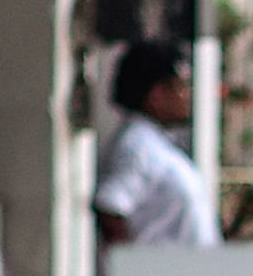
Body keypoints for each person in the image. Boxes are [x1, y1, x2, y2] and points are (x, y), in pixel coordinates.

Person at [93, 38, 218, 260]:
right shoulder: (137, 146)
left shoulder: (155, 144)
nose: (187, 96)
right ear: (157, 94)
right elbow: (110, 206)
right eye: (181, 86)